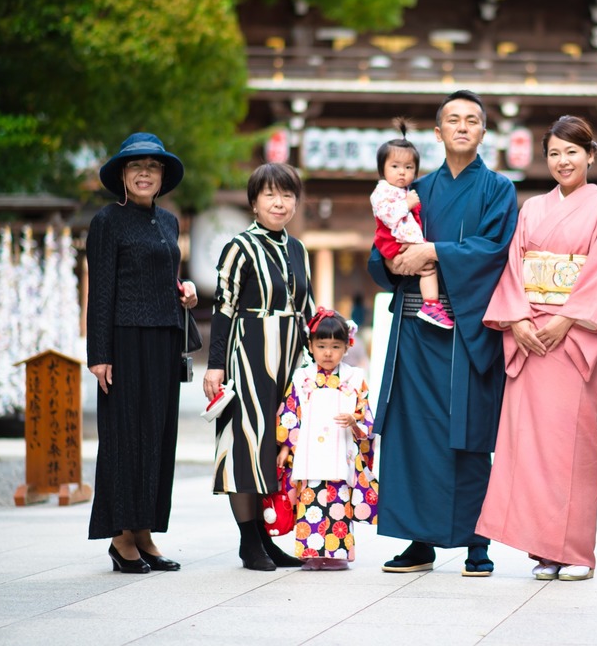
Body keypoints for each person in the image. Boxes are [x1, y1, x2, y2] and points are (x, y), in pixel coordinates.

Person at [367, 89, 518, 577]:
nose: (461, 126)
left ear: (483, 131)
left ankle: (477, 541)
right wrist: (394, 258)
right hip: (415, 325)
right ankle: (419, 540)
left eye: (472, 120)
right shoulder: (414, 190)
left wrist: (433, 252)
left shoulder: (498, 189)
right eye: (452, 119)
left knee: (468, 432)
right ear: (437, 132)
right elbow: (383, 246)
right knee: (412, 435)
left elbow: (494, 248)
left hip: (464, 327)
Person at [476, 116, 597, 582]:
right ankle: (545, 549)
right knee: (531, 448)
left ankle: (576, 550)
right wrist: (517, 319)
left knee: (574, 448)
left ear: (590, 155)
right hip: (529, 338)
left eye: (572, 152)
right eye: (555, 154)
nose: (563, 161)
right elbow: (513, 269)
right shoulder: (531, 209)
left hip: (572, 338)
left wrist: (565, 319)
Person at [86, 132, 197, 574]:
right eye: (136, 166)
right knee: (124, 437)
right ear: (123, 176)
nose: (145, 172)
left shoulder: (169, 222)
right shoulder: (107, 221)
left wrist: (184, 293)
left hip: (164, 338)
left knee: (158, 436)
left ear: (163, 175)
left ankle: (145, 531)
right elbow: (101, 291)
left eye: (153, 166)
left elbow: (162, 275)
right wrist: (99, 354)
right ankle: (120, 537)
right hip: (124, 339)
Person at [203, 163, 316, 571]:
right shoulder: (239, 247)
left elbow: (309, 311)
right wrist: (216, 366)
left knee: (277, 445)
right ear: (253, 202)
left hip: (289, 359)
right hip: (248, 355)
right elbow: (223, 308)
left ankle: (268, 536)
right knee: (246, 445)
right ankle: (249, 541)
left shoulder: (298, 249)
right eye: (269, 194)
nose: (279, 202)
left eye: (287, 195)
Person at [276, 308, 378, 570]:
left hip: (340, 449)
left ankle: (337, 554)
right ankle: (311, 553)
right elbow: (291, 413)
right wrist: (287, 446)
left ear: (347, 346)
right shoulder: (302, 378)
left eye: (335, 346)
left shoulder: (355, 377)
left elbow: (365, 412)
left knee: (338, 500)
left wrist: (355, 421)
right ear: (310, 346)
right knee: (310, 498)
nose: (328, 353)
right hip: (309, 450)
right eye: (321, 346)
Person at [371, 119, 454, 329]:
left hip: (404, 240)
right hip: (394, 241)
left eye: (409, 167)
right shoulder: (383, 192)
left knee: (427, 267)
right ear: (382, 168)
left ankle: (431, 304)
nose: (402, 172)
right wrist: (407, 204)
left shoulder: (406, 191)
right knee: (427, 267)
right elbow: (387, 215)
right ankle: (431, 305)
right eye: (395, 166)